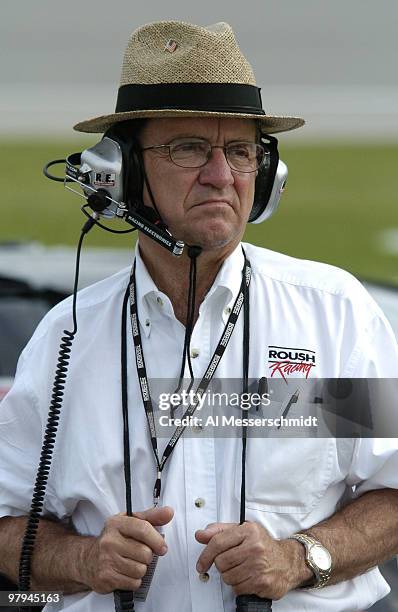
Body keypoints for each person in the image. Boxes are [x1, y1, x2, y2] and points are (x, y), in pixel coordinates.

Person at [0, 20, 398, 612]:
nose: (221, 176)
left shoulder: (333, 314)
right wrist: (84, 560)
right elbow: (8, 524)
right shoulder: (67, 336)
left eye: (240, 152)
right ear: (123, 174)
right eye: (188, 148)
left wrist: (301, 556)